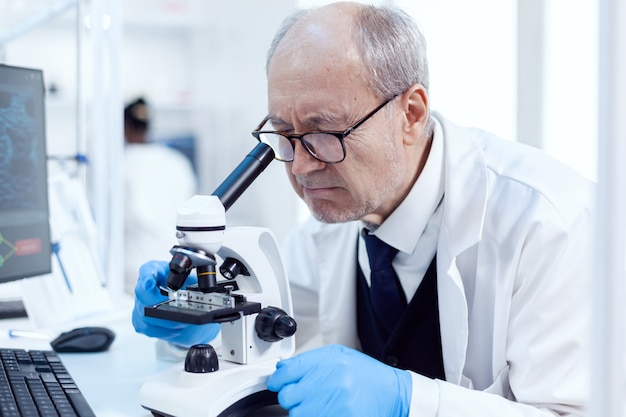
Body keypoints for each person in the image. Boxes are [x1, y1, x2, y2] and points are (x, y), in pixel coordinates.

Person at [132, 3, 594, 416]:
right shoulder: (326, 228)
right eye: (284, 135)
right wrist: (201, 329)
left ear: (410, 114)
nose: (304, 167)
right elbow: (273, 347)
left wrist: (411, 402)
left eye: (324, 132)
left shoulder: (549, 223)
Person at [123, 97, 198, 295]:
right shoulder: (177, 161)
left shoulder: (121, 165)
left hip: (133, 275)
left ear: (124, 127)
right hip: (176, 268)